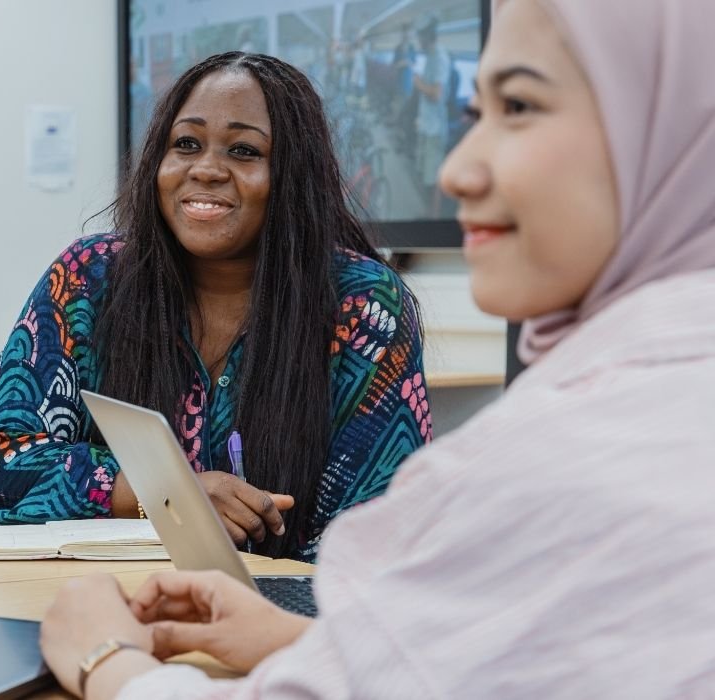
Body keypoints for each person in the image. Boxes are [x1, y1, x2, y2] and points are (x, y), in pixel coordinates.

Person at [39, 0, 715, 697]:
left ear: (666, 132)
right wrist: (305, 639)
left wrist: (105, 660)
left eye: (519, 105)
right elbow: (457, 660)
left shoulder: (583, 452)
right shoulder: (92, 273)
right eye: (475, 113)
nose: (456, 171)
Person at [0, 52, 429, 563]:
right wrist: (165, 493)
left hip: (280, 621)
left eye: (244, 150)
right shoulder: (89, 278)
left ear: (294, 174)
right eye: (186, 143)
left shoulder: (363, 306)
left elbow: (378, 536)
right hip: (100, 601)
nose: (206, 169)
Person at [412, 17, 451, 214]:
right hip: (427, 125)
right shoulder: (430, 56)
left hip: (435, 129)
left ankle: (433, 217)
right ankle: (428, 213)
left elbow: (436, 93)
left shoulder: (440, 58)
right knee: (426, 173)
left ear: (428, 36)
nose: (419, 42)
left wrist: (418, 84)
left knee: (434, 176)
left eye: (421, 38)